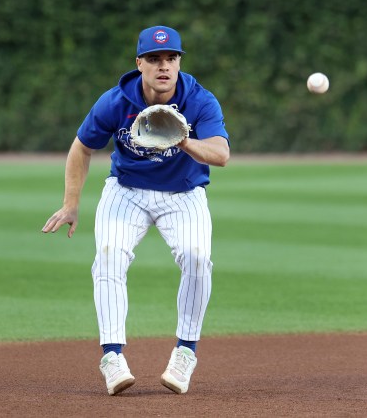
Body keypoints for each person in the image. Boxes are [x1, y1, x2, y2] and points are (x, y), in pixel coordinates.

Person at [42, 25, 230, 396]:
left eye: (171, 58)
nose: (164, 66)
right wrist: (71, 203)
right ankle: (112, 357)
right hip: (126, 192)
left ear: (178, 63)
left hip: (183, 194)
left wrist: (183, 139)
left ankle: (185, 352)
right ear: (139, 63)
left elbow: (221, 155)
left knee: (197, 256)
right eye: (155, 59)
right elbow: (82, 147)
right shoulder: (117, 101)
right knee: (109, 257)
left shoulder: (200, 100)